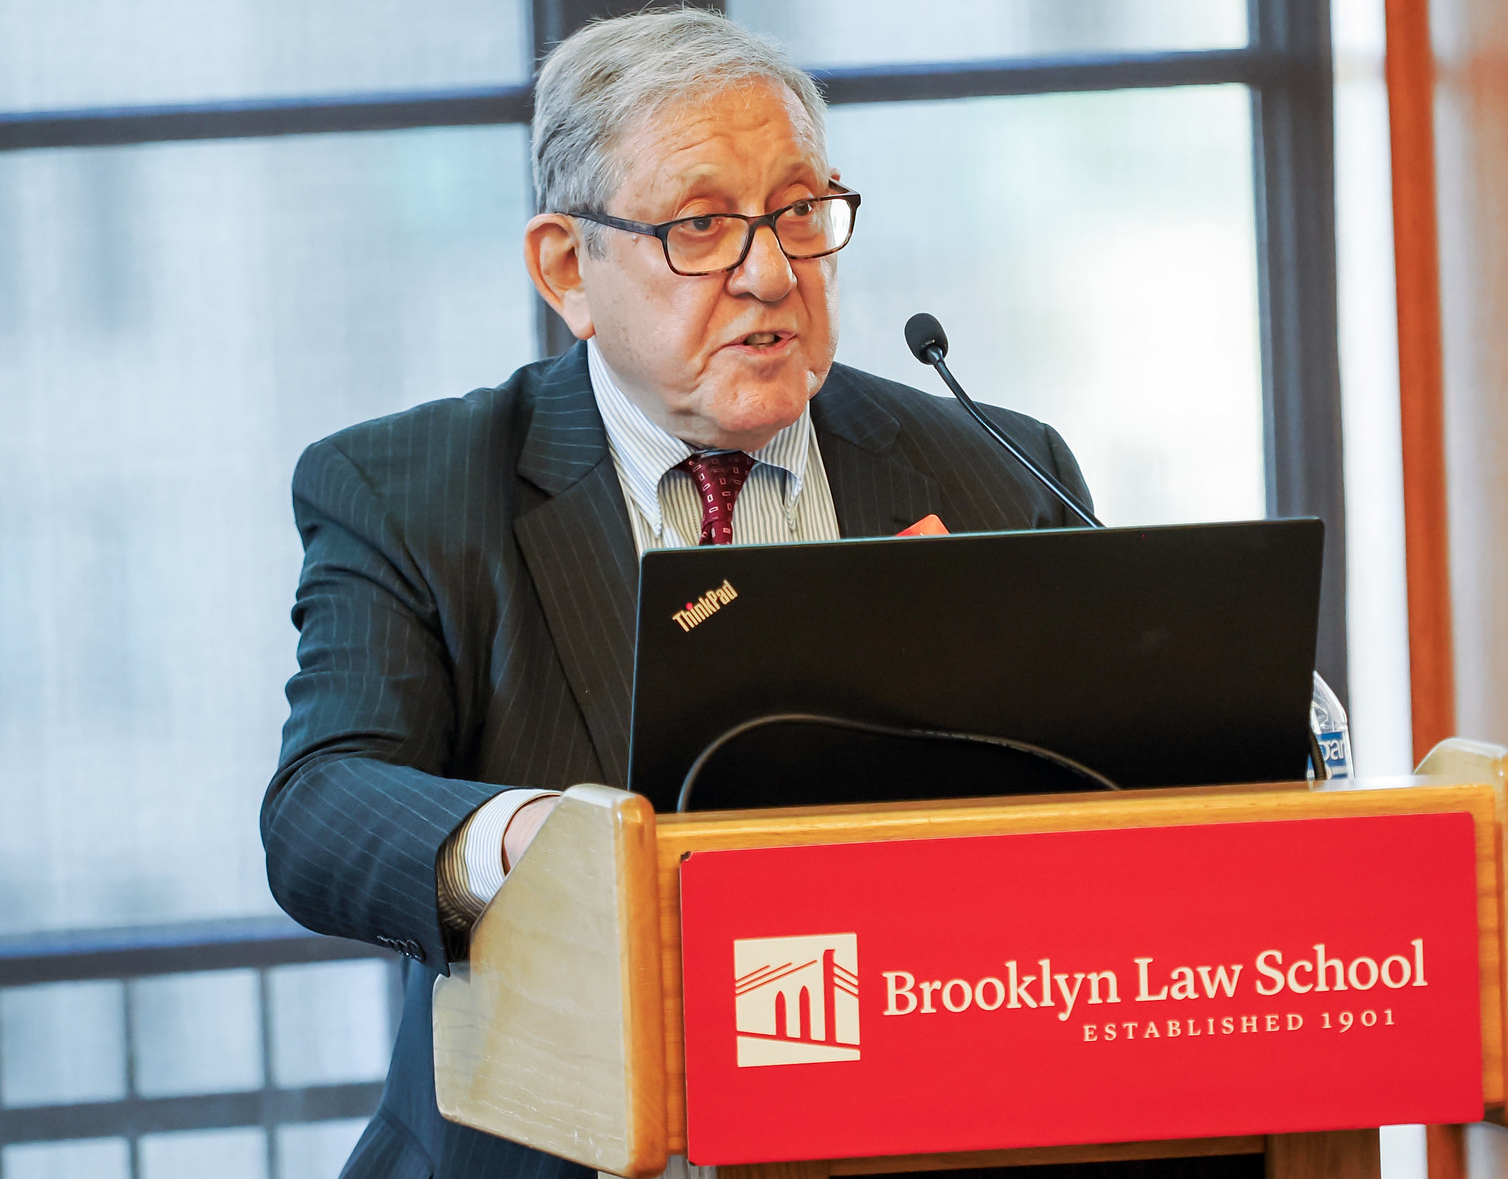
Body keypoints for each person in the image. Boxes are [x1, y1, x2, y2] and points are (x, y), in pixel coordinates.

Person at [260, 10, 1091, 1178]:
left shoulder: (994, 469)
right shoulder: (412, 491)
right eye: (700, 226)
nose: (767, 272)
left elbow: (1110, 799)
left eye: (797, 212)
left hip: (914, 1129)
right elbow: (318, 807)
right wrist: (536, 839)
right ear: (568, 267)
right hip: (553, 1145)